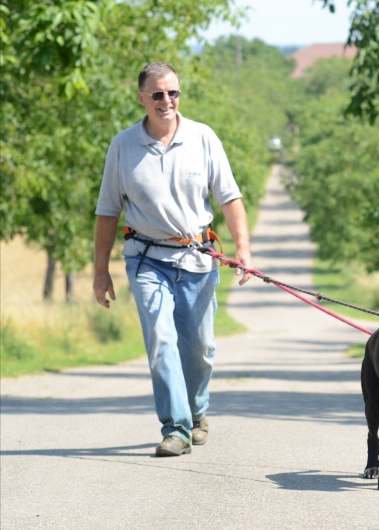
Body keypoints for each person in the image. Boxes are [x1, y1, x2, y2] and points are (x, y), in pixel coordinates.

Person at [93, 62, 253, 456]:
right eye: (158, 94)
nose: (167, 101)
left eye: (174, 93)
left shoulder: (203, 138)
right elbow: (107, 211)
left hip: (199, 260)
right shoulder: (123, 146)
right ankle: (176, 429)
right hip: (146, 259)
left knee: (200, 349)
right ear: (142, 98)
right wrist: (101, 272)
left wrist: (243, 250)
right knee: (162, 341)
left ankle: (197, 412)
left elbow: (230, 197)